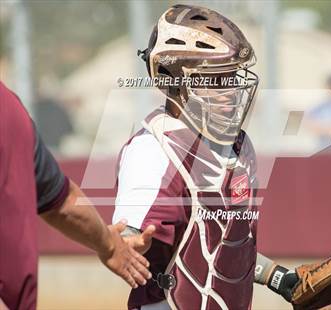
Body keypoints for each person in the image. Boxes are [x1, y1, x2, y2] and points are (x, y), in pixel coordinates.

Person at [112, 5, 298, 310]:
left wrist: (278, 278)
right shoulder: (154, 150)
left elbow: (218, 246)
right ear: (173, 79)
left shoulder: (236, 145)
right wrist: (124, 242)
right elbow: (129, 241)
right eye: (215, 79)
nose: (231, 90)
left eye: (232, 77)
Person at [0, 81, 155, 310]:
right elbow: (64, 203)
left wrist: (110, 245)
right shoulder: (8, 107)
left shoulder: (8, 110)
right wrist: (108, 246)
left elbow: (61, 201)